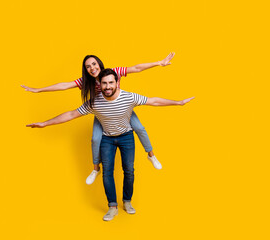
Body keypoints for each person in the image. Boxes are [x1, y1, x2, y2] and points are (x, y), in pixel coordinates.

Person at [27, 68, 194, 221]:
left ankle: (127, 201)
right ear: (100, 84)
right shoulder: (94, 102)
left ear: (117, 83)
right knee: (108, 173)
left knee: (129, 170)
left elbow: (153, 101)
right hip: (107, 139)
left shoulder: (128, 97)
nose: (107, 86)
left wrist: (177, 102)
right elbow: (71, 114)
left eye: (111, 82)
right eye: (104, 83)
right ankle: (112, 207)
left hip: (127, 137)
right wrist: (46, 123)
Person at [22, 53, 175, 185]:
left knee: (140, 128)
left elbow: (136, 68)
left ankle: (151, 156)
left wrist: (158, 63)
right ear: (86, 69)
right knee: (95, 139)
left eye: (94, 64)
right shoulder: (85, 82)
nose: (92, 68)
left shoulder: (113, 73)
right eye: (88, 66)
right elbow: (64, 86)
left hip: (122, 109)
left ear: (99, 64)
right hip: (102, 113)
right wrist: (39, 90)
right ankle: (96, 169)